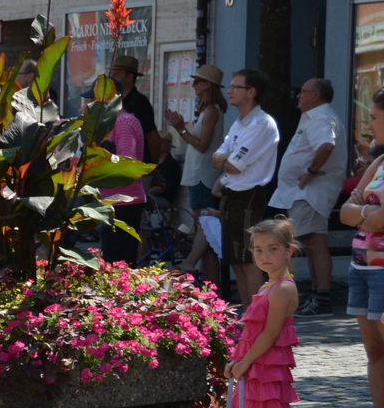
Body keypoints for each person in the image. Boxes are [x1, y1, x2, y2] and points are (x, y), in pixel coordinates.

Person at [337, 83, 384, 408]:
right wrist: (368, 215)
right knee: (375, 352)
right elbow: (346, 213)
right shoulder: (381, 162)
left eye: (375, 118)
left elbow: (381, 218)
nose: (369, 125)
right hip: (362, 266)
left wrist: (365, 214)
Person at [225, 218, 301, 408]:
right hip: (257, 363)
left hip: (269, 365)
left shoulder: (283, 288)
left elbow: (270, 333)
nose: (264, 256)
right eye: (258, 250)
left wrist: (245, 362)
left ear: (289, 251)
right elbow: (253, 332)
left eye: (272, 249)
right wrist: (237, 359)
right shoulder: (267, 286)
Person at [270, 78, 344, 315]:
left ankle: (321, 298)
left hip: (310, 192)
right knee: (311, 245)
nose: (298, 95)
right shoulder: (313, 117)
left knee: (314, 244)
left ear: (316, 95)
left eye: (303, 91)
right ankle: (316, 296)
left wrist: (310, 172)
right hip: (302, 192)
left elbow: (326, 146)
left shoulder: (322, 117)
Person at [212, 69, 281, 303]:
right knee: (236, 261)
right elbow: (215, 159)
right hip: (232, 196)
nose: (229, 91)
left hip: (248, 196)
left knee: (248, 260)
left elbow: (232, 166)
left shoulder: (261, 123)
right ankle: (247, 314)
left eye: (235, 87)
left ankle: (257, 315)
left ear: (251, 92)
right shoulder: (240, 123)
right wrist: (227, 157)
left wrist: (226, 158)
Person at [168, 66, 228, 279]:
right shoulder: (207, 110)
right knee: (207, 235)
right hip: (199, 174)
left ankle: (192, 264)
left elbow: (202, 145)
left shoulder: (211, 111)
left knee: (205, 226)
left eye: (197, 81)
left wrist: (180, 129)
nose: (193, 85)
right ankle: (212, 284)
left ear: (207, 85)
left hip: (203, 175)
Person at [93, 93, 148, 265]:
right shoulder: (114, 122)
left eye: (94, 99)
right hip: (115, 201)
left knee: (116, 262)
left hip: (123, 202)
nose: (91, 104)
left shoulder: (123, 122)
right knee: (115, 261)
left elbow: (126, 163)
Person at [108, 54, 163, 163]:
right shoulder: (116, 102)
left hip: (137, 166)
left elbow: (154, 139)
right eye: (112, 74)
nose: (112, 78)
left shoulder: (140, 103)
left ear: (130, 77)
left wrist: (152, 167)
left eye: (117, 74)